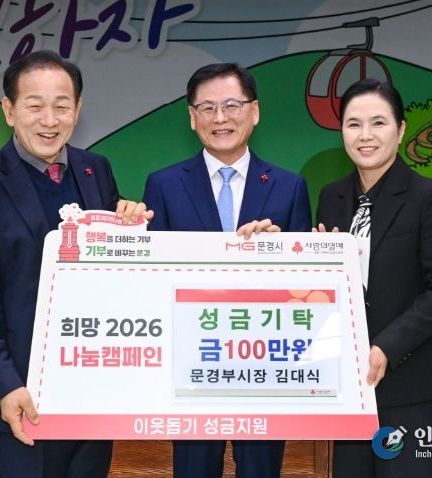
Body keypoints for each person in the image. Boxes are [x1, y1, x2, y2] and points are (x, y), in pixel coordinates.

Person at [0, 50, 151, 478]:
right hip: (25, 387)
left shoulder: (96, 170)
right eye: (34, 105)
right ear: (9, 110)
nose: (49, 120)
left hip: (91, 376)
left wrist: (131, 225)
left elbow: (110, 265)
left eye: (61, 105)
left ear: (77, 109)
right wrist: (5, 386)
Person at [143, 63, 312, 478]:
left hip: (265, 365)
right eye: (208, 107)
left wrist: (278, 253)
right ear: (192, 117)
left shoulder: (289, 187)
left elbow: (305, 288)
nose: (220, 118)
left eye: (232, 105)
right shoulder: (163, 185)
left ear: (254, 111)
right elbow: (151, 280)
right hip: (192, 364)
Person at [314, 78, 432, 477]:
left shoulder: (428, 196)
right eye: (353, 124)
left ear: (400, 130)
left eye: (378, 123)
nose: (365, 135)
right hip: (348, 383)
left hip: (405, 376)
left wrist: (386, 347)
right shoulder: (331, 197)